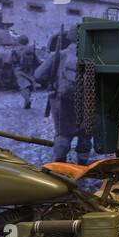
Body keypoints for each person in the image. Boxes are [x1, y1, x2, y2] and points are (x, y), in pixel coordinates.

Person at [34, 29, 92, 163]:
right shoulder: (94, 56)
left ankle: (60, 165)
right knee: (85, 135)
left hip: (62, 100)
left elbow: (38, 75)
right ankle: (82, 167)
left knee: (63, 134)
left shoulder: (59, 55)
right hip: (88, 100)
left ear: (69, 38)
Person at [12, 35, 38, 109]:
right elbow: (37, 61)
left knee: (23, 86)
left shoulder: (16, 51)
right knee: (29, 85)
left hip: (20, 70)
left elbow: (12, 61)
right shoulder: (31, 50)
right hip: (30, 71)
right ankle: (27, 100)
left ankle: (27, 99)